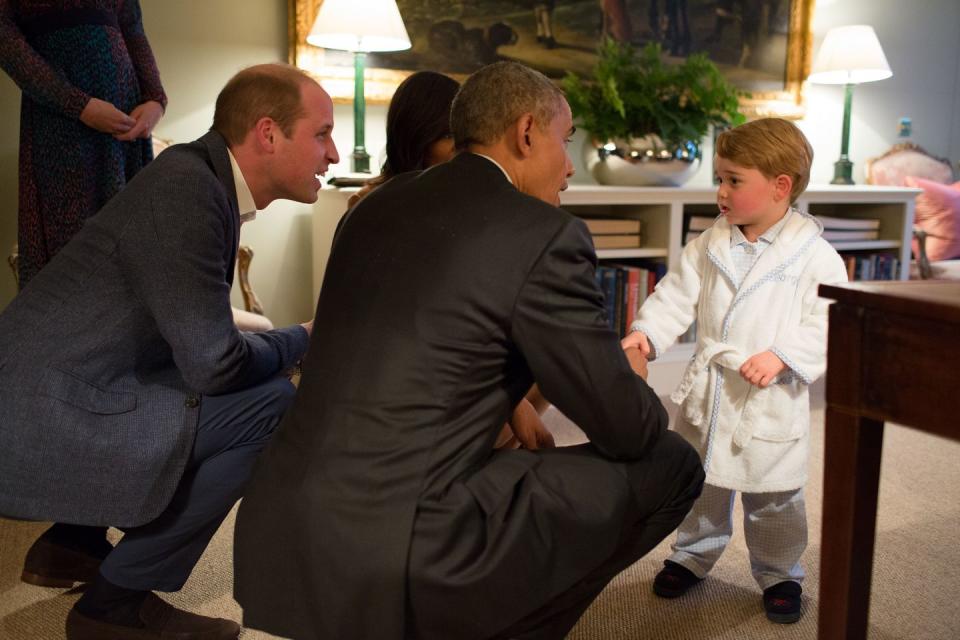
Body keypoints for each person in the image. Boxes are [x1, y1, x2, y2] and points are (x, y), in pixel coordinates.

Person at [234, 60, 705, 640]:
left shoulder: (371, 208)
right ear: (527, 132)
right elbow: (626, 429)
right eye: (566, 140)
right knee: (673, 463)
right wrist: (630, 375)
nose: (569, 167)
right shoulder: (544, 236)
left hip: (279, 528)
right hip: (404, 547)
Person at [0, 63, 339, 639]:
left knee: (224, 389)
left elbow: (192, 338)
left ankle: (71, 544)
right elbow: (216, 365)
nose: (331, 155)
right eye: (322, 133)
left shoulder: (196, 177)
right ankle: (113, 606)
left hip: (57, 389)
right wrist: (304, 337)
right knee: (271, 405)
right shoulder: (190, 190)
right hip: (41, 415)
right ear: (267, 133)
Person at [621, 117, 848, 623]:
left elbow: (828, 318)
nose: (720, 191)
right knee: (703, 483)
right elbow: (675, 294)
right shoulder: (709, 244)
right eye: (718, 178)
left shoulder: (815, 256)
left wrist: (784, 355)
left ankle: (781, 572)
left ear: (780, 186)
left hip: (770, 396)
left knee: (774, 496)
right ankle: (692, 554)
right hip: (712, 389)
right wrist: (648, 334)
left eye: (733, 180)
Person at [349, 69, 551, 447]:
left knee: (543, 356)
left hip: (450, 357)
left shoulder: (465, 203)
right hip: (402, 373)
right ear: (418, 140)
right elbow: (421, 331)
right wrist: (511, 402)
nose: (463, 153)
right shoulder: (374, 207)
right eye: (450, 139)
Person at [0, 0, 167, 288]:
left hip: (125, 127)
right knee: (72, 254)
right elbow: (4, 38)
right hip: (61, 126)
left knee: (131, 249)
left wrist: (155, 99)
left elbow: (132, 28)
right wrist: (78, 105)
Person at [348, 70, 460, 207]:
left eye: (464, 133)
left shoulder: (469, 196)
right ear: (416, 136)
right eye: (449, 136)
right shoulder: (368, 202)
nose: (462, 146)